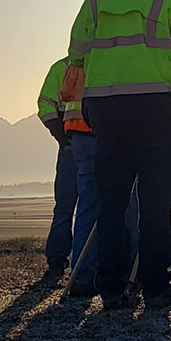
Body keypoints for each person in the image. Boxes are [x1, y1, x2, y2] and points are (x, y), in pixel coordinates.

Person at [64, 0, 171, 309]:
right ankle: (155, 288)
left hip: (107, 114)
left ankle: (111, 289)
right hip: (158, 111)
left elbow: (76, 53)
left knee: (111, 207)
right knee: (156, 207)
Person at [60, 67, 140, 297]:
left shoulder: (75, 53)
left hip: (80, 133)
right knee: (127, 206)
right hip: (111, 129)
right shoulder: (120, 42)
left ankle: (83, 277)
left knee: (88, 207)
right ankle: (128, 277)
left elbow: (63, 94)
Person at [36, 57, 75, 281]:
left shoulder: (100, 62)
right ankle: (57, 261)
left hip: (86, 147)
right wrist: (61, 136)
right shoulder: (62, 68)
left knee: (68, 209)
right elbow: (45, 105)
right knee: (66, 208)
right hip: (74, 149)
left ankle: (66, 263)